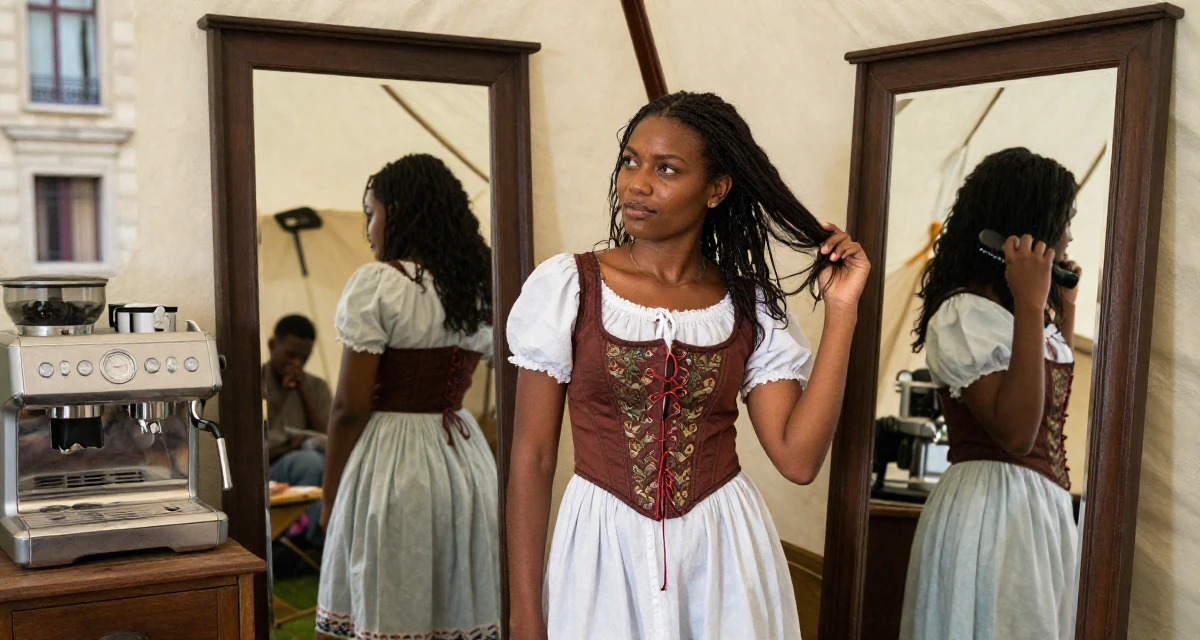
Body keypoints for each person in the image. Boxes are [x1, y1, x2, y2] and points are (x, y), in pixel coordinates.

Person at [505, 91, 870, 639]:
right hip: (602, 552)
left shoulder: (752, 306)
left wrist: (841, 312)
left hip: (723, 552)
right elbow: (531, 458)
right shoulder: (568, 286)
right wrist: (525, 614)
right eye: (631, 161)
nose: (637, 183)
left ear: (716, 189)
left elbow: (798, 459)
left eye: (666, 169)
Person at [899, 147, 1083, 639]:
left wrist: (1060, 310)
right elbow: (1018, 433)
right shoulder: (964, 315)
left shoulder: (1016, 319)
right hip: (992, 514)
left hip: (1036, 515)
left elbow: (1049, 405)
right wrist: (1030, 302)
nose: (1068, 236)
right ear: (1029, 229)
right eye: (1063, 220)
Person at [316, 154, 500, 640]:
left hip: (393, 461)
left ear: (396, 212)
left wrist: (331, 493)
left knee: (391, 591)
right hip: (465, 459)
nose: (368, 228)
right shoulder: (480, 287)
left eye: (371, 213)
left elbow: (349, 408)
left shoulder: (380, 286)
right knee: (453, 595)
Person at [263, 314, 331, 548]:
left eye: (304, 358)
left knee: (320, 462)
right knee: (309, 462)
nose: (297, 364)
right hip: (268, 469)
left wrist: (303, 391)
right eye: (290, 355)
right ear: (273, 346)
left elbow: (328, 438)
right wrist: (288, 448)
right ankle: (312, 542)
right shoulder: (253, 381)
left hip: (312, 461)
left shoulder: (316, 387)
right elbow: (247, 449)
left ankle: (320, 537)